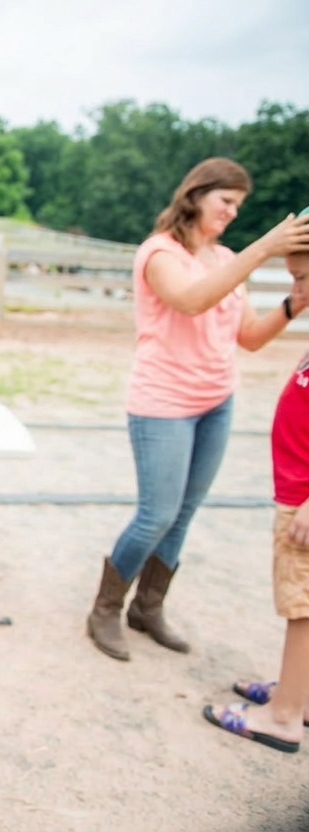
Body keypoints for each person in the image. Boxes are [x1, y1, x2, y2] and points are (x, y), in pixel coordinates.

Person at [87, 160, 309, 661]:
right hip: (163, 403)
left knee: (183, 516)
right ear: (197, 194)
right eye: (226, 201)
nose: (232, 212)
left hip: (216, 402)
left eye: (238, 206)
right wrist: (265, 249)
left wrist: (295, 304)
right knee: (156, 514)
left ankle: (147, 608)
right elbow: (189, 302)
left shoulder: (225, 257)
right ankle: (104, 609)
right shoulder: (159, 253)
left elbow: (249, 337)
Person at [204, 225, 309, 752]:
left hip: (304, 497)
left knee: (302, 605)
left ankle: (285, 715)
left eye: (304, 278)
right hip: (296, 486)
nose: (300, 290)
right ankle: (300, 692)